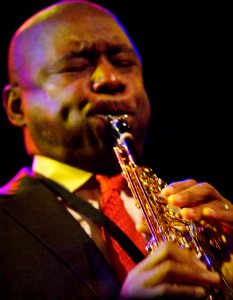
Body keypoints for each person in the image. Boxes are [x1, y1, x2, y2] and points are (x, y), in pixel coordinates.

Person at [0, 1, 232, 299]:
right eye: (76, 67)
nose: (110, 79)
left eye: (123, 63)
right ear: (17, 107)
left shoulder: (186, 212)